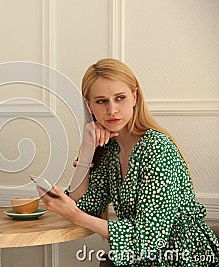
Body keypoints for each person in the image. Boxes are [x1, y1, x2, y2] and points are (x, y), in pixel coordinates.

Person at [38, 58, 219, 266]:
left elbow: (150, 240)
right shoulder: (109, 151)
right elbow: (83, 205)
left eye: (120, 98)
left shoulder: (157, 149)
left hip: (183, 258)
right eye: (101, 101)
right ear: (89, 106)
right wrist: (87, 150)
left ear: (134, 97)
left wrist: (77, 216)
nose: (112, 110)